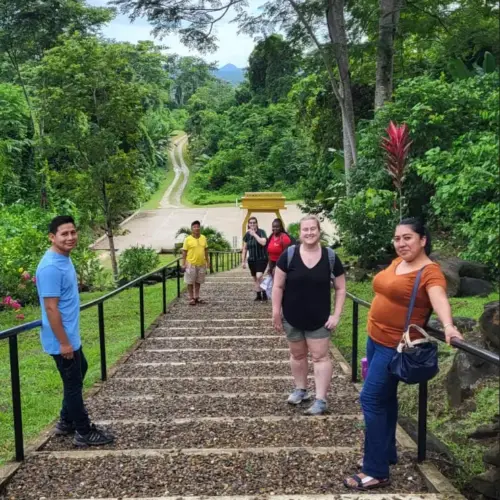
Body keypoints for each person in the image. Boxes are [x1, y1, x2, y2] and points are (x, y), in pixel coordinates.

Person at [343, 218, 463, 491]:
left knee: (370, 398)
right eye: (397, 238)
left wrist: (448, 326)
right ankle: (385, 453)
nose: (401, 243)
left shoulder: (431, 272)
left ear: (423, 240)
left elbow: (439, 297)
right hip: (374, 338)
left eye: (407, 238)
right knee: (385, 399)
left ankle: (375, 471)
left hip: (394, 346)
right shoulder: (398, 262)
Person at [36, 215, 114, 447]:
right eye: (64, 234)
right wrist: (64, 343)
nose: (70, 237)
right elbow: (50, 308)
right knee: (73, 384)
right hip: (61, 338)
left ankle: (66, 421)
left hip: (69, 334)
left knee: (81, 369)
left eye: (73, 232)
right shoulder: (50, 267)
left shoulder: (63, 258)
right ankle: (83, 431)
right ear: (52, 237)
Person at [272, 214, 346, 415]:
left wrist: (336, 314)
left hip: (319, 318)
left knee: (320, 356)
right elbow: (278, 285)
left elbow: (340, 288)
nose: (309, 233)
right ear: (300, 233)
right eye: (305, 229)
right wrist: (276, 311)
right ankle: (300, 389)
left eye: (313, 229)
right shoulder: (289, 255)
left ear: (319, 231)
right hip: (292, 315)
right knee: (297, 354)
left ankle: (321, 399)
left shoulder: (330, 257)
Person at [182, 220, 210, 306]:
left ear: (200, 228)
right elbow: (184, 252)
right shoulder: (187, 239)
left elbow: (206, 250)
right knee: (190, 282)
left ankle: (197, 297)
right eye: (194, 227)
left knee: (198, 281)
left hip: (201, 263)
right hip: (191, 264)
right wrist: (183, 264)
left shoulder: (203, 238)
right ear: (192, 229)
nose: (196, 228)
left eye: (198, 226)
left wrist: (208, 261)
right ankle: (191, 298)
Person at [242, 217, 268, 301]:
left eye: (254, 223)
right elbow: (245, 248)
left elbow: (263, 242)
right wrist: (243, 261)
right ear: (248, 224)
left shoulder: (261, 232)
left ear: (257, 223)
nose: (252, 224)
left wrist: (254, 234)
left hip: (261, 258)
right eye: (250, 223)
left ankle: (264, 292)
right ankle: (259, 295)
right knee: (255, 278)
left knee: (259, 275)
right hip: (252, 259)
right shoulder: (247, 235)